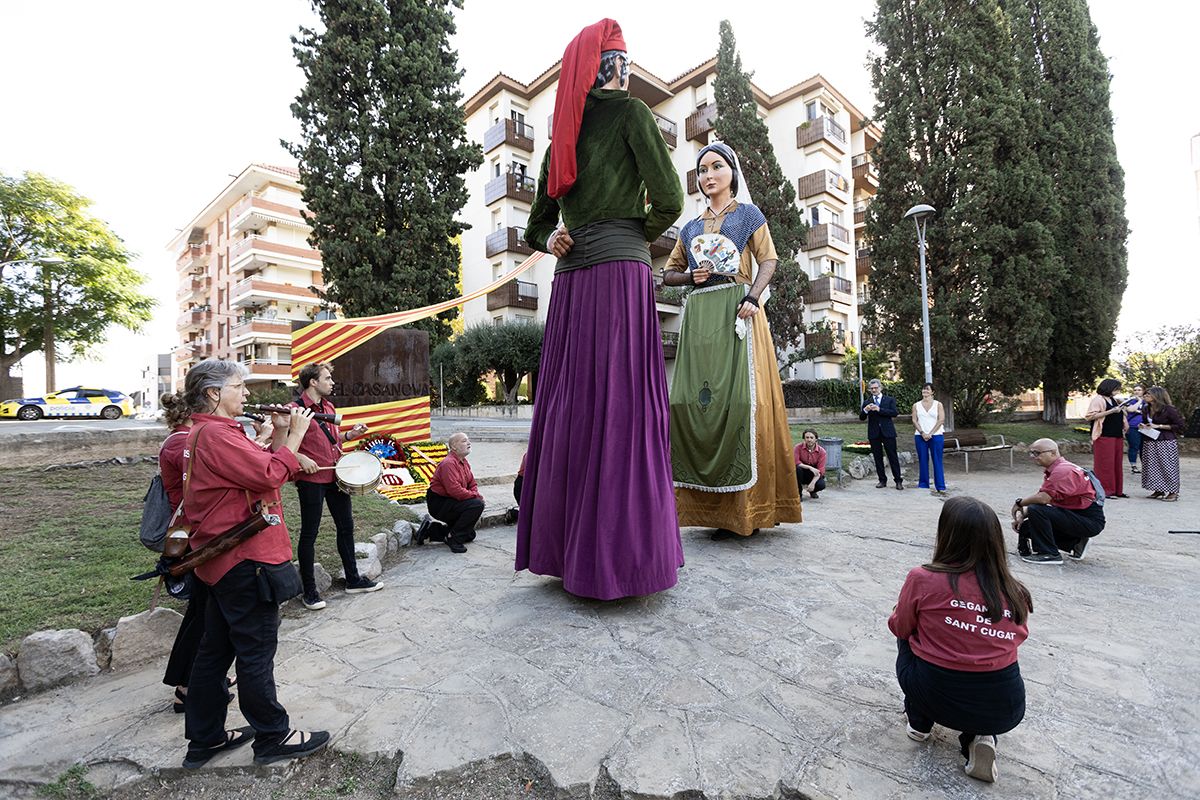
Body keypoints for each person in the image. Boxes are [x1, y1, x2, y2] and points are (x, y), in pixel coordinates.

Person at [515, 18, 685, 599]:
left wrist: (554, 240)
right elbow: (670, 199)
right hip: (617, 278)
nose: (628, 66)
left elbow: (538, 225)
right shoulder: (633, 114)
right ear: (607, 67)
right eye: (623, 58)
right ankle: (624, 558)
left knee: (575, 405)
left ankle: (568, 552)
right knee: (624, 406)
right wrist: (636, 237)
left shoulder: (561, 136)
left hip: (571, 284)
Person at [178, 359, 328, 768]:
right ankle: (273, 736)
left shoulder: (210, 432)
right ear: (213, 393)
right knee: (255, 649)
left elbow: (256, 470)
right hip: (245, 561)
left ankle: (205, 739)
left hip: (220, 561)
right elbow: (266, 475)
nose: (246, 394)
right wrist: (297, 435)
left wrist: (280, 432)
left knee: (215, 651)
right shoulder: (215, 434)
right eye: (238, 386)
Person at [663, 142, 802, 537]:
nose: (708, 175)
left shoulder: (748, 216)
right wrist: (692, 276)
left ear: (732, 173)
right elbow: (669, 273)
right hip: (700, 317)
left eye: (716, 167)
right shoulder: (690, 228)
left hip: (738, 310)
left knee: (744, 404)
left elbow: (769, 259)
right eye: (702, 169)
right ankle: (708, 509)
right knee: (695, 406)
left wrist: (753, 297)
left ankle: (751, 510)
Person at [888, 496, 1032, 784]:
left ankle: (919, 722)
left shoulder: (923, 578)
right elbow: (1015, 640)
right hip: (1006, 705)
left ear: (946, 535)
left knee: (908, 634)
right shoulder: (1015, 590)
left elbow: (900, 627)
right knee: (987, 660)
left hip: (935, 693)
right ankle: (980, 736)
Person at [157, 392, 234, 714]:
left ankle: (195, 680)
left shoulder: (184, 438)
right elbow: (218, 472)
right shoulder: (181, 442)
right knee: (202, 617)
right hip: (192, 537)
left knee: (205, 614)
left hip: (196, 534)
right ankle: (187, 686)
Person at [289, 362, 380, 611]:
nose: (332, 382)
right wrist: (300, 458)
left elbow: (330, 437)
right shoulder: (294, 410)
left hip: (335, 476)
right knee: (310, 533)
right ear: (313, 382)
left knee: (346, 526)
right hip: (311, 480)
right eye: (327, 378)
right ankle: (309, 591)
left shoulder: (328, 406)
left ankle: (353, 579)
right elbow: (281, 446)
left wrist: (350, 435)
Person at [1011, 439, 1105, 565]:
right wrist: (1022, 517)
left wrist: (1020, 503)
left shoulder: (1063, 471)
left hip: (1088, 520)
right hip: (1077, 516)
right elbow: (1041, 500)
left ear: (1053, 453)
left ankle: (1049, 554)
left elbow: (1042, 499)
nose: (1033, 457)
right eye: (1032, 453)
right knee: (1028, 525)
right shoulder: (1057, 469)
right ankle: (1076, 543)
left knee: (1036, 511)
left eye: (1037, 453)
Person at [417, 432, 485, 554]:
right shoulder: (448, 463)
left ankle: (430, 530)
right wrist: (475, 495)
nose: (469, 443)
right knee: (477, 504)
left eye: (468, 440)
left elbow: (472, 483)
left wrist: (474, 493)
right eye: (464, 441)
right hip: (440, 502)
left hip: (452, 500)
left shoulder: (464, 462)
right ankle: (453, 539)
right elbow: (455, 491)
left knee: (470, 535)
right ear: (454, 447)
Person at [1139, 385, 1184, 502]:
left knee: (1168, 466)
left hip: (1165, 441)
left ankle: (1173, 492)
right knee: (1152, 466)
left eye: (1148, 394)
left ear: (1157, 396)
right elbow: (1147, 422)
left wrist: (1159, 426)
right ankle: (1158, 489)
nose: (1145, 396)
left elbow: (1180, 426)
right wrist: (1144, 426)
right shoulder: (1146, 409)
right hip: (1150, 440)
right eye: (1145, 394)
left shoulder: (1169, 409)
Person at [1084, 378, 1128, 498]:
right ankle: (1106, 491)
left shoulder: (1113, 399)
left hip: (1117, 435)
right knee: (1105, 464)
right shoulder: (1098, 399)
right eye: (1116, 389)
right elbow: (1090, 416)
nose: (1118, 391)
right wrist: (1110, 412)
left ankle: (1117, 490)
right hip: (1104, 435)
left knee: (1116, 463)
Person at [861, 379, 903, 489]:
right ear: (870, 390)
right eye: (872, 388)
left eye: (876, 388)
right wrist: (865, 410)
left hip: (888, 432)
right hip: (874, 433)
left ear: (881, 388)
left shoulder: (889, 400)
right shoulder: (867, 402)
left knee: (892, 456)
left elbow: (894, 413)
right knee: (877, 457)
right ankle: (882, 480)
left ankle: (898, 480)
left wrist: (879, 409)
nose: (874, 390)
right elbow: (861, 417)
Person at [911, 383, 947, 495]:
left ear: (932, 392)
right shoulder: (916, 405)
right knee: (922, 460)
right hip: (920, 435)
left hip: (936, 436)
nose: (925, 391)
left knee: (937, 460)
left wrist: (930, 433)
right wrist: (922, 432)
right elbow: (914, 420)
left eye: (927, 389)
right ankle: (923, 484)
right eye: (923, 389)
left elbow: (941, 420)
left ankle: (940, 486)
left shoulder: (938, 405)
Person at [793, 429, 827, 499]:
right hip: (801, 472)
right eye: (807, 437)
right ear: (804, 438)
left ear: (816, 439)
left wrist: (812, 483)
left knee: (821, 485)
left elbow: (821, 470)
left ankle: (812, 491)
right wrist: (810, 467)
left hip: (814, 474)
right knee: (797, 469)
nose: (809, 440)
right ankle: (799, 493)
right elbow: (796, 462)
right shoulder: (798, 447)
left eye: (811, 437)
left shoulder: (822, 452)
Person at [1123, 386, 1146, 474]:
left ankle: (1146, 466)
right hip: (1132, 427)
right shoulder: (1130, 401)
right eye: (1135, 390)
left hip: (1145, 427)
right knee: (1134, 446)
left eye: (1139, 390)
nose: (1137, 391)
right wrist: (1139, 401)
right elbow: (1130, 409)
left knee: (1144, 447)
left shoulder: (1148, 401)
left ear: (1143, 391)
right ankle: (1133, 466)